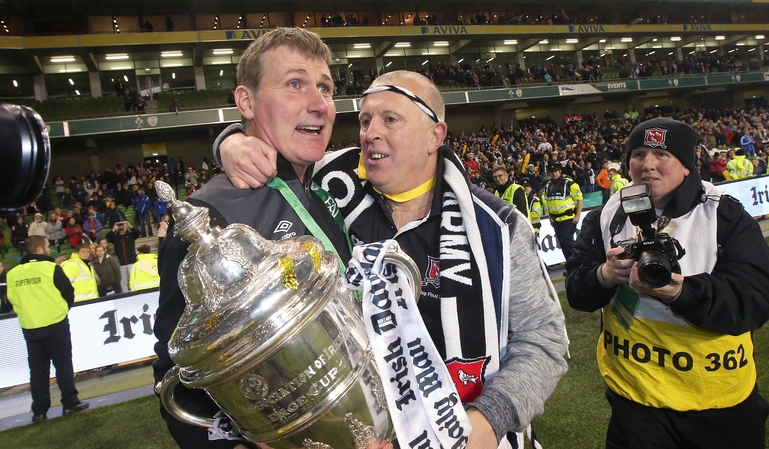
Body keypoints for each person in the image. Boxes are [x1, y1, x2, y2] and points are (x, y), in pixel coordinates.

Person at [215, 69, 569, 448]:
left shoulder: (497, 228)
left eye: (391, 119)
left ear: (436, 135)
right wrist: (230, 140)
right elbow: (275, 149)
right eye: (365, 120)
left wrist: (488, 420)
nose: (370, 133)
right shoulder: (332, 188)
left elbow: (545, 341)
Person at [152, 28, 350, 449]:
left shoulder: (337, 186)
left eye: (326, 88)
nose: (318, 104)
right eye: (294, 84)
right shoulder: (211, 220)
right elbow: (180, 370)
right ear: (245, 101)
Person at [565, 117, 769, 449]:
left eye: (661, 155)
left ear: (686, 167)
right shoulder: (608, 213)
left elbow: (757, 301)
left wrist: (681, 292)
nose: (647, 165)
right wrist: (604, 276)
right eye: (638, 154)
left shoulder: (723, 215)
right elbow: (577, 292)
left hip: (719, 404)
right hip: (635, 403)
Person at [5, 236, 90, 422]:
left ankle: (39, 412)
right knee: (63, 365)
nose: (49, 248)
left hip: (30, 327)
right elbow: (68, 293)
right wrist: (61, 310)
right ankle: (70, 403)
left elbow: (10, 300)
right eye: (47, 245)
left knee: (37, 371)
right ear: (40, 249)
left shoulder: (12, 274)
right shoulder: (52, 269)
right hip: (55, 323)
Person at [541, 163, 583, 261]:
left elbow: (580, 199)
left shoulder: (569, 183)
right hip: (556, 220)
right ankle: (571, 265)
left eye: (556, 171)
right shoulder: (547, 186)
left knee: (566, 240)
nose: (554, 174)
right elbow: (548, 204)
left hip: (568, 218)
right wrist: (550, 218)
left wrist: (577, 216)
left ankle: (580, 260)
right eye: (552, 172)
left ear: (560, 171)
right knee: (562, 243)